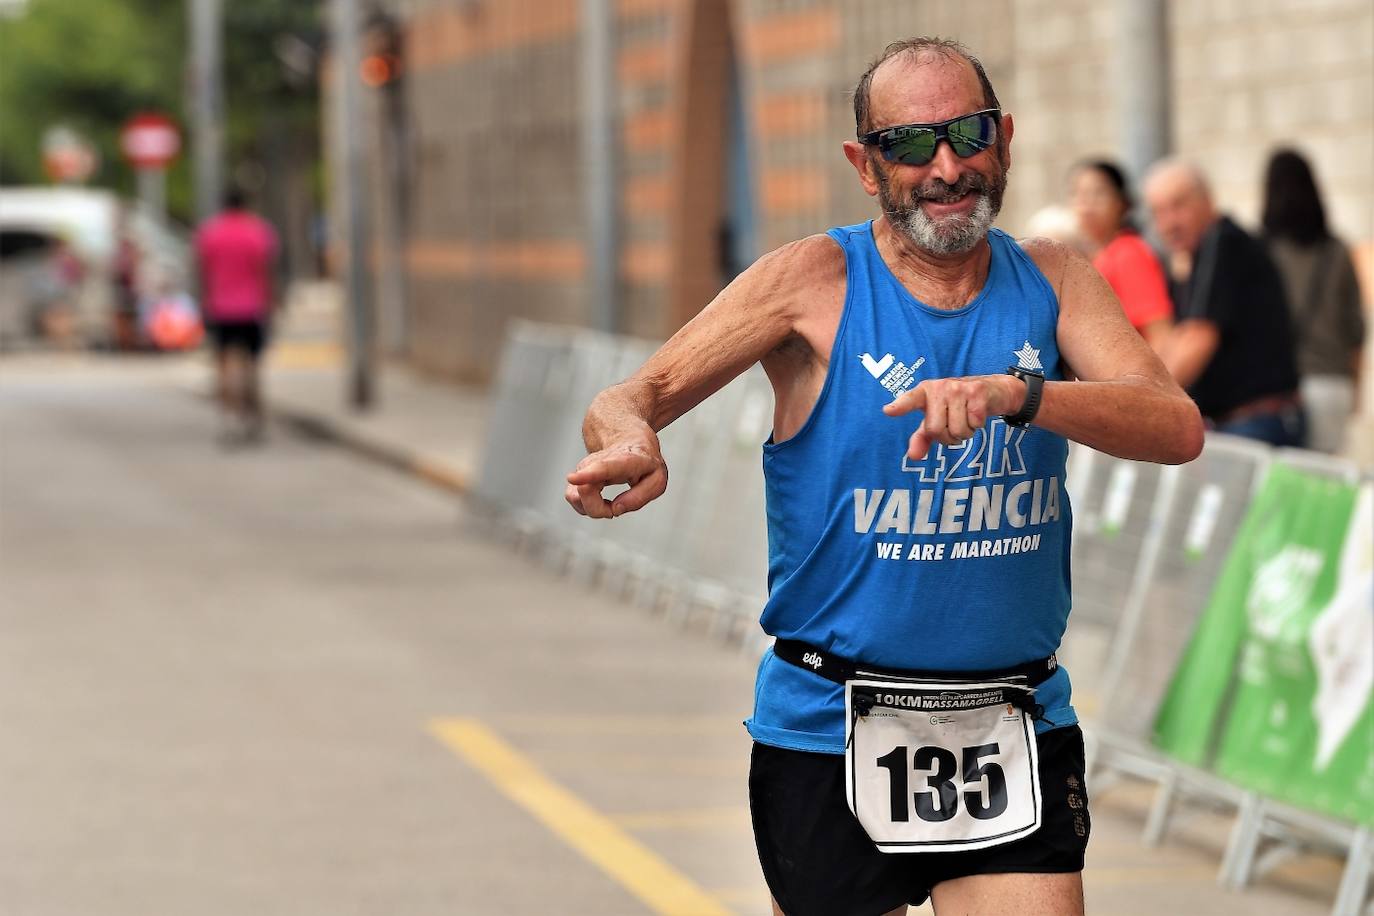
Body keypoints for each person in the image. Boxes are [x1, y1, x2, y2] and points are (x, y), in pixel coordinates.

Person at [566, 38, 1202, 916]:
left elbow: (1172, 424)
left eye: (968, 135)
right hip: (832, 724)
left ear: (1005, 139)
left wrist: (1019, 395)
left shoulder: (1053, 279)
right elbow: (635, 393)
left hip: (1009, 720)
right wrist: (631, 437)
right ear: (866, 167)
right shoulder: (812, 282)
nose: (946, 167)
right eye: (910, 145)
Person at [1144, 159, 1305, 447]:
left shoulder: (1221, 243)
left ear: (1207, 200)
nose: (1169, 223)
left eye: (1178, 205)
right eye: (1159, 212)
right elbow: (1180, 339)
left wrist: (1141, 401)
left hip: (1254, 422)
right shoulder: (1200, 254)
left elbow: (1197, 338)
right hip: (1244, 423)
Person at [1260, 149, 1366, 454]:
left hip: (1281, 391)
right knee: (1324, 479)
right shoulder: (1338, 251)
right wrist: (1355, 390)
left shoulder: (1264, 251)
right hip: (1334, 383)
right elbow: (1355, 329)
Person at [195, 187, 278, 444]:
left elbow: (202, 272)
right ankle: (252, 416)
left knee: (223, 364)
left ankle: (229, 417)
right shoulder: (258, 231)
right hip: (253, 307)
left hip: (220, 308)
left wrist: (203, 302)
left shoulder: (210, 233)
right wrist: (272, 302)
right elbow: (266, 271)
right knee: (252, 364)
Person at [1069, 160, 1173, 348]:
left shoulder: (1129, 253)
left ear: (1122, 203)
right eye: (1080, 194)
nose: (1087, 205)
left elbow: (1159, 333)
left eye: (1098, 194)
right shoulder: (1100, 256)